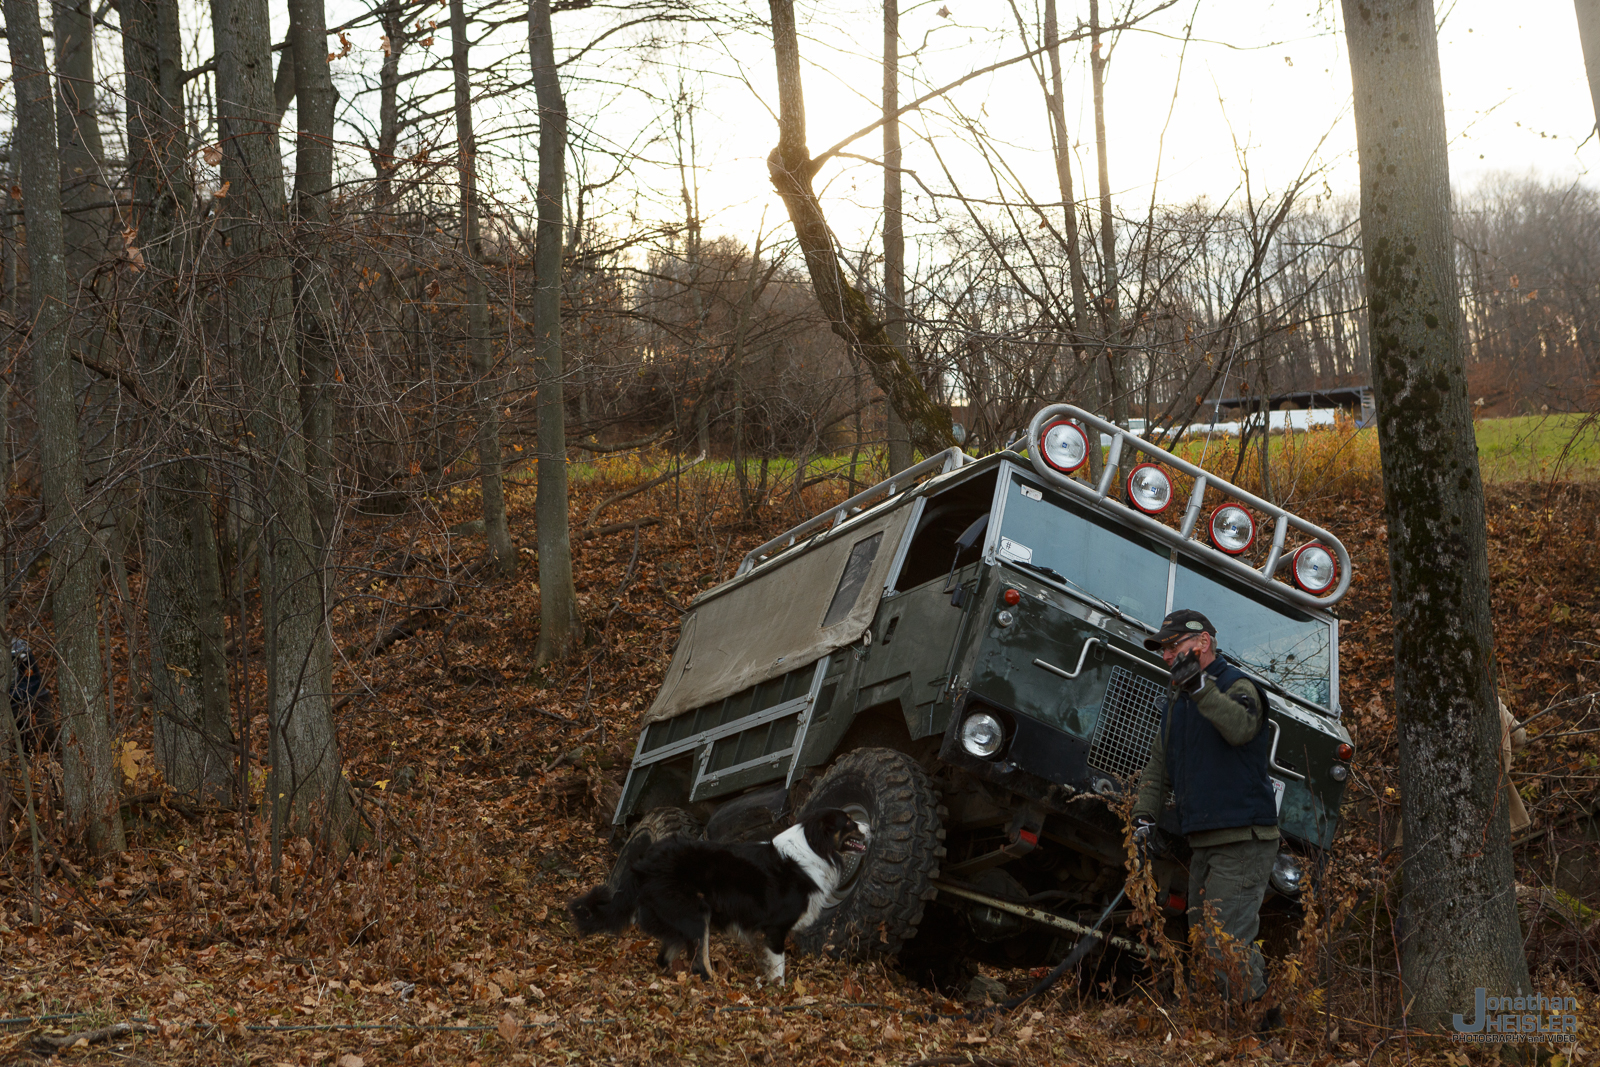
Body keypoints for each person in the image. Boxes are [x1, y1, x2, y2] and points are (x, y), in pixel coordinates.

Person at [1129, 609, 1281, 1028]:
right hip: (1205, 841)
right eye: (1163, 649)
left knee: (1225, 943)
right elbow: (1159, 764)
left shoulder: (1238, 686)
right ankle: (1224, 1028)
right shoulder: (1178, 700)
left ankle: (1269, 1032)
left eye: (1173, 646)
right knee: (1203, 940)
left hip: (1244, 838)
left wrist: (1199, 687)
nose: (1166, 656)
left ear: (1203, 643)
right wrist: (1143, 817)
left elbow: (1239, 728)